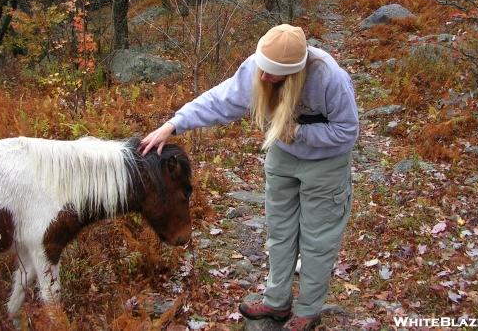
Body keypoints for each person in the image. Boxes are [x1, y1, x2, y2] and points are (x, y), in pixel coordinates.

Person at [139, 24, 358, 331]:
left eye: (273, 73)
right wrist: (174, 125)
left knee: (316, 239)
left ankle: (308, 310)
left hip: (326, 165)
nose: (264, 77)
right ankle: (277, 302)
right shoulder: (258, 67)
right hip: (283, 157)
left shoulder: (329, 78)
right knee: (280, 232)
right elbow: (220, 100)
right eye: (263, 68)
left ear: (294, 73)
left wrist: (298, 132)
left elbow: (348, 131)